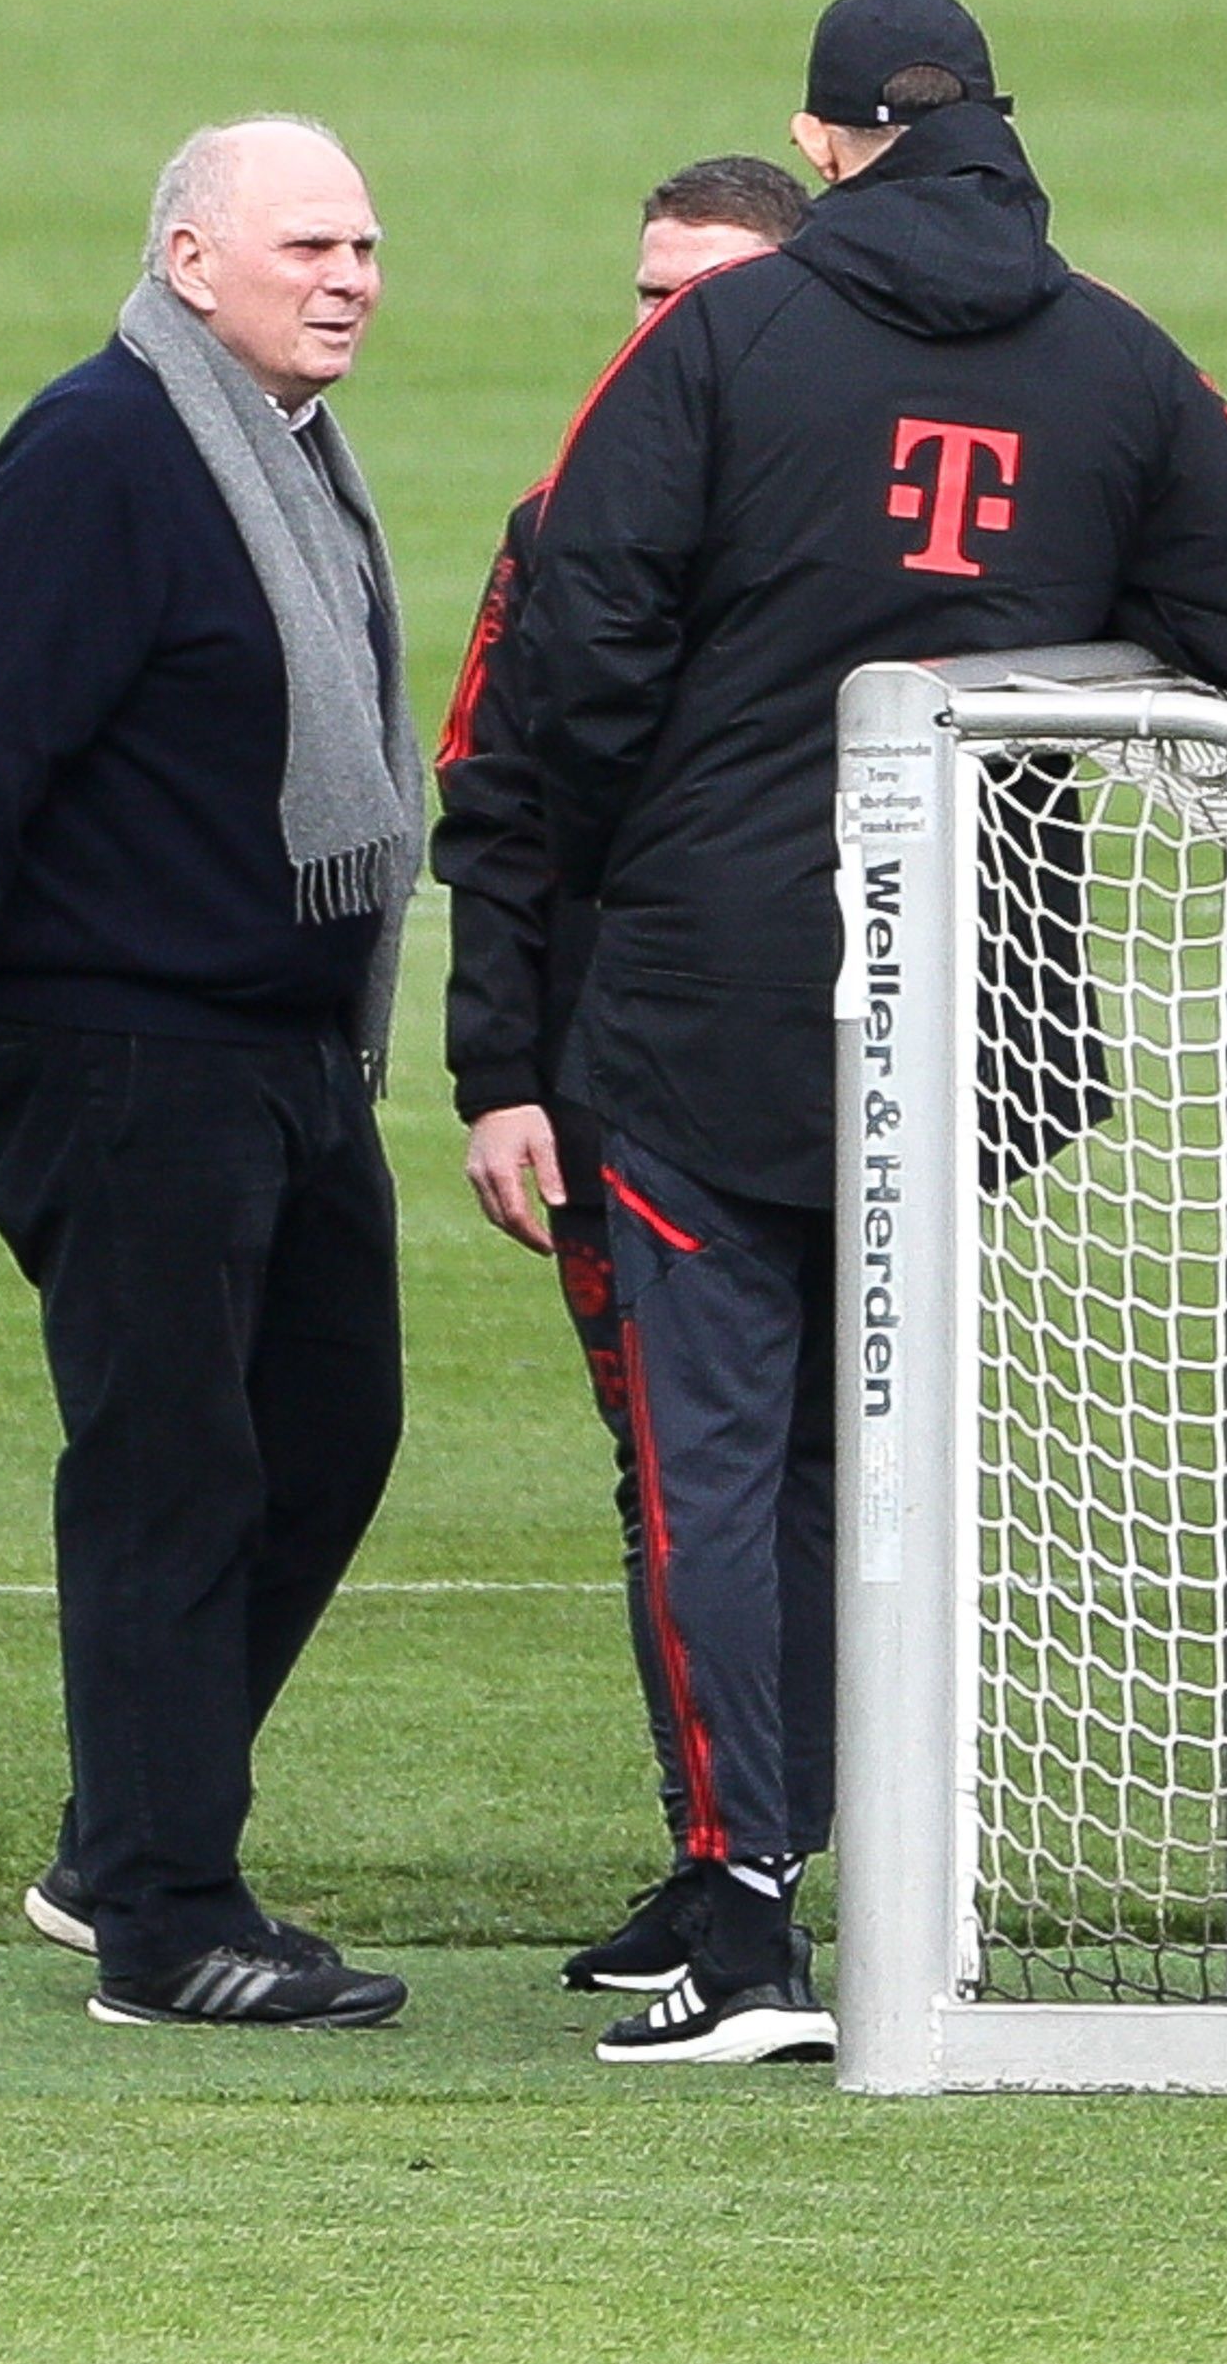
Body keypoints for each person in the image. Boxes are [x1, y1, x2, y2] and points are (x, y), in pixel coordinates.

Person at [516, 0, 1227, 2062]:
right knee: (881, 1444)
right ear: (989, 118)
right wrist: (1020, 626)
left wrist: (617, 874)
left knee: (716, 1459)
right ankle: (889, 1888)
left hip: (719, 982)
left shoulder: (721, 342)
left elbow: (574, 648)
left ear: (814, 146)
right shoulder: (1116, 357)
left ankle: (743, 1912)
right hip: (969, 985)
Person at [0, 117, 423, 2032]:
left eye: (362, 246)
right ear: (190, 261)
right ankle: (166, 1920)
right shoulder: (102, 450)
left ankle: (125, 1831)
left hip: (282, 1049)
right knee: (171, 1469)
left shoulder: (295, 459)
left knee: (330, 1431)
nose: (346, 278)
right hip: (114, 1049)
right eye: (304, 247)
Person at [433, 154, 812, 2001]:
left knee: (790, 1482)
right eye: (646, 299)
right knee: (673, 1477)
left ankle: (779, 1871)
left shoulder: (863, 539)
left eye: (709, 300)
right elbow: (492, 813)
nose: (663, 336)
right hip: (619, 1089)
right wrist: (499, 1072)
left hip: (848, 1091)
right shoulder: (559, 523)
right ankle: (721, 1859)